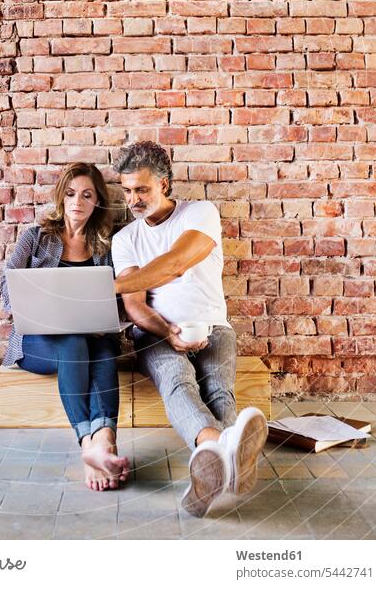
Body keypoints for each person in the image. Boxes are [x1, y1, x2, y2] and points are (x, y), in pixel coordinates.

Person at [111, 141, 268, 517]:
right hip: (154, 334)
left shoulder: (201, 213)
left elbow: (175, 263)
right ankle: (224, 452)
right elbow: (135, 304)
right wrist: (166, 332)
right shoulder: (125, 240)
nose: (133, 199)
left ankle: (211, 472)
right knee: (177, 381)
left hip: (213, 325)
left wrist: (108, 287)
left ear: (164, 184)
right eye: (127, 190)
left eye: (142, 189)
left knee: (219, 390)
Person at [0, 162, 129, 492]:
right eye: (71, 194)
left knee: (99, 348)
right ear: (61, 197)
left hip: (93, 339)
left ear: (98, 201)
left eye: (87, 195)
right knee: (74, 341)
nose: (77, 202)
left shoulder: (106, 246)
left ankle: (105, 443)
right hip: (36, 343)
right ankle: (88, 443)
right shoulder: (36, 237)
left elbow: (119, 297)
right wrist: (28, 311)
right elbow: (6, 284)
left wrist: (107, 319)